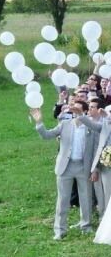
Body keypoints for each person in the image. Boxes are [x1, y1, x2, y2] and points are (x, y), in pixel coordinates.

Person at [31, 101, 96, 240]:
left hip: (83, 167)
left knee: (86, 198)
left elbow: (95, 148)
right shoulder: (65, 124)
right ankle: (60, 230)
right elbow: (47, 135)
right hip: (65, 167)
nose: (74, 111)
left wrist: (94, 168)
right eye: (73, 109)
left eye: (78, 109)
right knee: (63, 199)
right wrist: (39, 122)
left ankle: (86, 225)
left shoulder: (90, 127)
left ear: (85, 111)